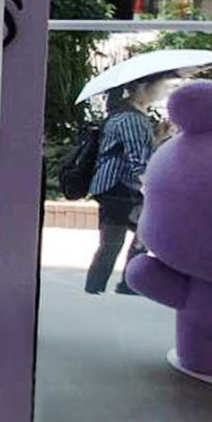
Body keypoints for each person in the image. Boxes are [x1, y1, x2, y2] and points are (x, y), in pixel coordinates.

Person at [85, 75, 172, 295]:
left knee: (125, 239)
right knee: (122, 239)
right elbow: (137, 160)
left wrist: (158, 137)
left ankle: (104, 286)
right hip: (120, 187)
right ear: (142, 87)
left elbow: (137, 151)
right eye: (160, 85)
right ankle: (116, 285)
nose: (163, 90)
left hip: (117, 187)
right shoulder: (131, 119)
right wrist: (150, 186)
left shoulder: (129, 114)